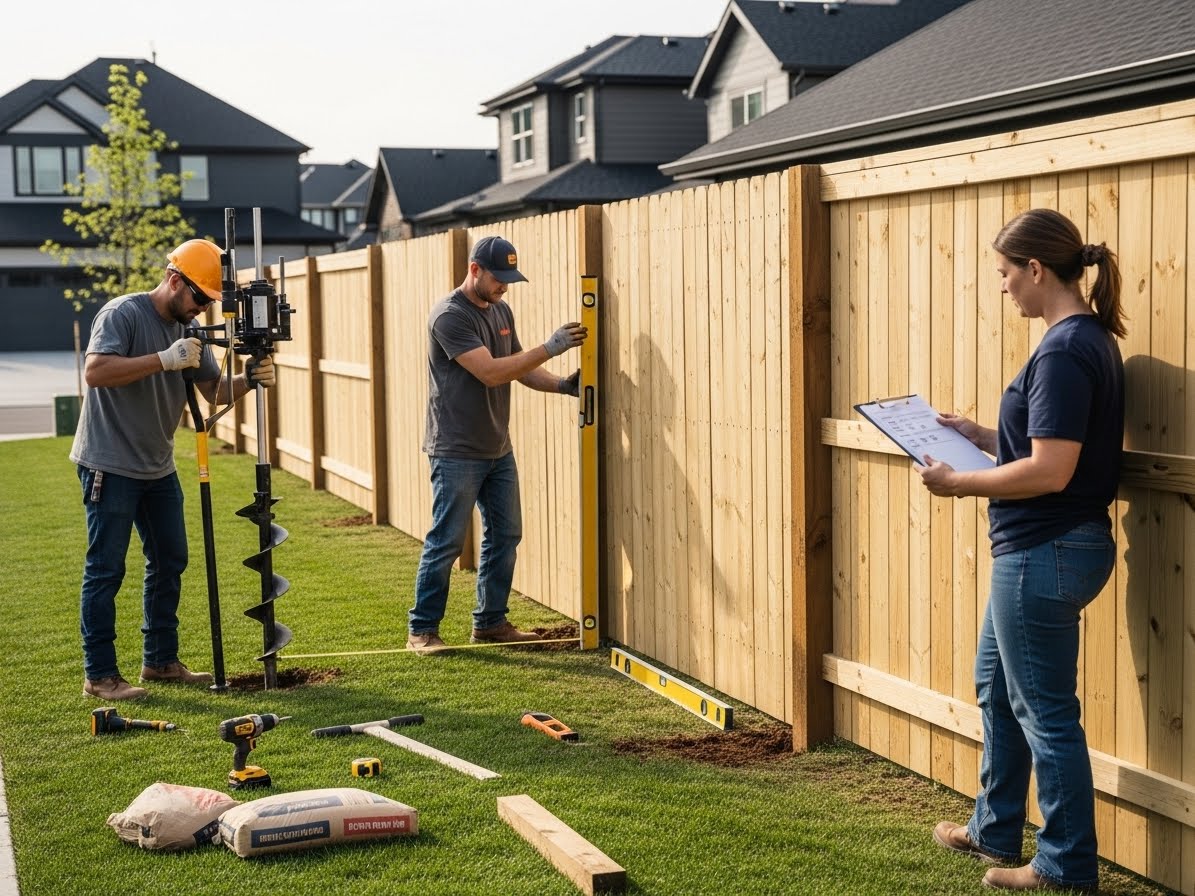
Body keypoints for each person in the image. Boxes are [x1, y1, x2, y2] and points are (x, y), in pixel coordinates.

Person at [921, 209, 1125, 892]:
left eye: (1005, 274)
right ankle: (993, 827)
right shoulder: (1078, 342)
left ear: (1035, 270)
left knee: (1044, 711)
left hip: (1043, 549)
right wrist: (978, 432)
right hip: (1049, 547)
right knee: (997, 691)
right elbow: (1051, 447)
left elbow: (1050, 470)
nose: (1002, 286)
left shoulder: (1066, 349)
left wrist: (957, 483)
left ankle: (1064, 865)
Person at [71, 239, 276, 700]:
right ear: (174, 279)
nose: (202, 307)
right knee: (106, 569)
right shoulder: (123, 314)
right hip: (109, 462)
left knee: (170, 560)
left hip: (157, 466)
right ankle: (99, 675)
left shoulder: (194, 330)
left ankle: (160, 661)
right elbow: (96, 372)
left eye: (209, 301)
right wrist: (163, 360)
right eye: (199, 297)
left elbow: (213, 393)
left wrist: (250, 379)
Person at [407, 235, 587, 654]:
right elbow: (490, 372)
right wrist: (551, 347)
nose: (504, 286)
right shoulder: (449, 317)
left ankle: (490, 623)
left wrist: (563, 385)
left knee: (506, 534)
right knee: (447, 541)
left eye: (509, 278)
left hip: (496, 447)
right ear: (474, 270)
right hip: (455, 449)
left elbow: (518, 368)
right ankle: (422, 630)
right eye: (498, 277)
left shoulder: (502, 310)